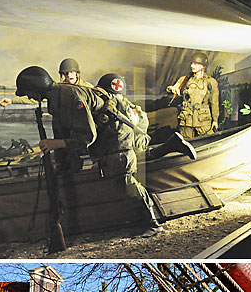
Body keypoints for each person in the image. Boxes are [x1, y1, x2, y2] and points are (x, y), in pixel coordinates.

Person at [14, 65, 163, 236]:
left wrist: (57, 144)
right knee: (118, 180)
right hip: (106, 140)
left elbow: (87, 136)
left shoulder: (70, 96)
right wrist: (62, 163)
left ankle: (153, 223)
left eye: (29, 93)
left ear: (37, 89)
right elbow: (62, 131)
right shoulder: (57, 98)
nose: (30, 97)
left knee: (125, 181)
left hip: (116, 138)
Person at [96, 73, 196, 161]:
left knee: (140, 156)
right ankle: (171, 141)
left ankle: (172, 144)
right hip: (139, 134)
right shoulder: (125, 104)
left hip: (135, 138)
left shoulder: (115, 105)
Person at [0, 57, 91, 108]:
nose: (69, 75)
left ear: (76, 73)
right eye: (65, 73)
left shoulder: (87, 88)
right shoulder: (59, 89)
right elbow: (36, 98)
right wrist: (12, 100)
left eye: (71, 72)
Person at [168, 52, 219, 139]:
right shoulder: (185, 79)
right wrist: (173, 88)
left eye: (195, 63)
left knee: (208, 141)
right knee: (186, 143)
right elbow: (173, 87)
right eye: (192, 63)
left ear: (203, 65)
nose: (192, 65)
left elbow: (214, 102)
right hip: (187, 118)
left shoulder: (211, 82)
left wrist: (215, 120)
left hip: (203, 119)